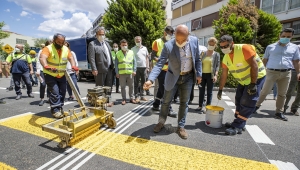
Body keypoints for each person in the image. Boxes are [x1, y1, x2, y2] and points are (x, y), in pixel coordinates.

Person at [144, 25, 202, 139]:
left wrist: (199, 74)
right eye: (177, 39)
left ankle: (181, 126)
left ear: (188, 35)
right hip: (172, 76)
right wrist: (150, 79)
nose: (180, 42)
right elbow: (160, 63)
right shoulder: (168, 45)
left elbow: (197, 59)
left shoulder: (195, 41)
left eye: (183, 40)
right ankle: (161, 122)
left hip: (188, 77)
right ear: (174, 35)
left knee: (184, 103)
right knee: (166, 102)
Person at [217, 35, 266, 135]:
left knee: (248, 101)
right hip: (243, 81)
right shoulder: (226, 58)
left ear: (232, 44)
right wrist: (220, 89)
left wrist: (253, 84)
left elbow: (254, 66)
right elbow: (224, 75)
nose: (223, 49)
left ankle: (238, 125)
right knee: (239, 99)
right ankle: (239, 121)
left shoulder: (244, 48)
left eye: (226, 46)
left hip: (256, 77)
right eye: (221, 47)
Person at [254, 28, 300, 121]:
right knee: (265, 91)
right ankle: (255, 107)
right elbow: (265, 60)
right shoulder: (270, 47)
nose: (285, 38)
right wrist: (260, 72)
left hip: (286, 73)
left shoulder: (294, 48)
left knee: (282, 94)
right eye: (283, 36)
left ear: (291, 37)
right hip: (271, 72)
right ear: (279, 35)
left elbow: (296, 61)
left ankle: (279, 112)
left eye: (288, 37)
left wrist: (298, 72)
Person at [39, 33, 78, 118]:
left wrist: (73, 65)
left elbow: (71, 58)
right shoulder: (48, 48)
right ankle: (55, 110)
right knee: (55, 92)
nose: (60, 43)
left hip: (61, 73)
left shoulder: (65, 49)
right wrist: (46, 66)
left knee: (62, 92)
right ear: (54, 41)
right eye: (58, 42)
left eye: (62, 42)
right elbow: (42, 58)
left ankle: (59, 107)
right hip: (50, 74)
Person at [150, 26, 177, 117]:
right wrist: (160, 60)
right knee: (166, 89)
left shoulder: (172, 43)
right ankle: (169, 109)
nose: (170, 35)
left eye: (171, 33)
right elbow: (152, 56)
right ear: (164, 32)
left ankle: (156, 105)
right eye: (169, 33)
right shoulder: (157, 42)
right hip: (161, 69)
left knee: (161, 89)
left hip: (170, 69)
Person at [88, 27, 114, 106]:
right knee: (99, 87)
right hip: (100, 69)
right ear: (96, 35)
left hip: (109, 68)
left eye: (103, 34)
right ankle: (99, 102)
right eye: (100, 34)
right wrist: (94, 68)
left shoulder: (106, 43)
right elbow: (91, 58)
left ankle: (107, 101)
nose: (102, 36)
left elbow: (109, 54)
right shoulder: (92, 44)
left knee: (108, 86)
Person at [196, 37, 220, 113]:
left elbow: (217, 66)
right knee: (201, 91)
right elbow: (199, 63)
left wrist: (216, 75)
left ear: (215, 45)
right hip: (202, 75)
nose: (211, 46)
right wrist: (198, 74)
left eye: (212, 45)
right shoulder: (203, 53)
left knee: (209, 92)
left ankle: (208, 107)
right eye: (210, 44)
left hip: (211, 75)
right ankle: (200, 106)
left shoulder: (216, 54)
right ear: (207, 44)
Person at [115, 39, 137, 105]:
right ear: (120, 45)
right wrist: (117, 72)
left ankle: (131, 98)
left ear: (127, 45)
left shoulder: (131, 52)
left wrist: (134, 70)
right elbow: (116, 64)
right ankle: (124, 99)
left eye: (125, 45)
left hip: (130, 73)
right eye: (123, 45)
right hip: (121, 73)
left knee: (131, 86)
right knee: (122, 87)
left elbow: (134, 62)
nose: (124, 46)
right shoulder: (118, 53)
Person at [283, 44, 300, 116]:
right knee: (290, 90)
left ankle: (294, 108)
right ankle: (283, 107)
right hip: (294, 71)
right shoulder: (296, 47)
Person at [132, 36, 149, 102]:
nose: (138, 42)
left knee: (143, 82)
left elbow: (147, 58)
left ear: (141, 40)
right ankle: (136, 96)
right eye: (137, 41)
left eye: (139, 41)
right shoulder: (132, 49)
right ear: (135, 41)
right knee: (136, 83)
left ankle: (142, 95)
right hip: (136, 68)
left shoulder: (145, 48)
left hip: (144, 67)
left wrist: (147, 67)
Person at [36, 40, 51, 106]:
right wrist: (38, 70)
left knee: (49, 85)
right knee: (43, 84)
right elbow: (38, 61)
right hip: (42, 70)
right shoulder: (41, 51)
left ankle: (48, 98)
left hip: (50, 71)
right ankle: (42, 99)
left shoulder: (53, 51)